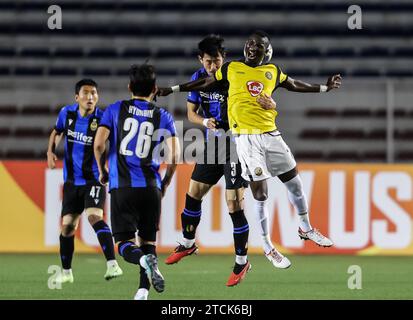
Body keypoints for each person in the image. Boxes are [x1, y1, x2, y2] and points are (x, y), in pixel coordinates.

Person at [158, 30, 342, 267]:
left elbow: (292, 84)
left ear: (267, 52)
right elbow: (201, 89)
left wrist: (323, 89)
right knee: (245, 194)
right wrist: (173, 91)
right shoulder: (230, 69)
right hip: (233, 140)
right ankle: (259, 246)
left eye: (260, 46)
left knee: (288, 186)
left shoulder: (271, 71)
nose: (254, 48)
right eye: (251, 44)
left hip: (260, 136)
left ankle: (298, 231)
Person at [164, 35, 278, 287]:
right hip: (213, 143)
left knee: (234, 205)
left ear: (223, 59)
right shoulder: (198, 79)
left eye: (216, 61)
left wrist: (271, 106)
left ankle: (241, 261)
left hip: (238, 144)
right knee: (193, 193)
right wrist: (204, 122)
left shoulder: (236, 74)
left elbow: (261, 98)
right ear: (200, 60)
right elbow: (192, 114)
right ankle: (188, 242)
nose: (213, 66)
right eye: (208, 62)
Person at [94, 64, 180, 300]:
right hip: (151, 187)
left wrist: (102, 170)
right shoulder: (163, 116)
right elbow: (175, 156)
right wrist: (165, 183)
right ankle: (142, 291)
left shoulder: (114, 110)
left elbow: (99, 144)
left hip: (122, 187)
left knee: (123, 244)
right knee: (148, 241)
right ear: (154, 89)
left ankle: (142, 261)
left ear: (129, 86)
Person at [47, 79, 123, 284]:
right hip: (72, 181)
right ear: (77, 97)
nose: (90, 97)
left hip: (94, 179)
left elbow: (114, 143)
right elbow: (57, 131)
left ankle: (112, 264)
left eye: (94, 93)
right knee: (67, 227)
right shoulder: (67, 113)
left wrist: (109, 169)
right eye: (86, 93)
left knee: (94, 217)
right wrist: (51, 150)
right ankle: (66, 272)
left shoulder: (103, 118)